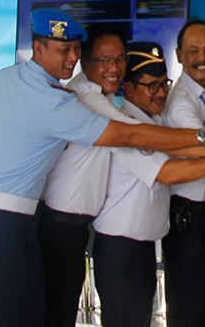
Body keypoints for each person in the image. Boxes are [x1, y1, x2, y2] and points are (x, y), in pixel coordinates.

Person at [0, 8, 205, 327]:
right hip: (20, 225)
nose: (71, 57)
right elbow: (129, 134)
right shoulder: (65, 101)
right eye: (64, 50)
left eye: (76, 48)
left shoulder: (5, 78)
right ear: (38, 48)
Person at [92, 42, 205, 327]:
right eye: (151, 86)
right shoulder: (130, 128)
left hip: (139, 249)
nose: (161, 92)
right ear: (128, 89)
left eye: (163, 84)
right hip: (121, 251)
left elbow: (189, 151)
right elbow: (168, 172)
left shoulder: (154, 124)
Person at [37, 24, 139, 327]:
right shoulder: (82, 97)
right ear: (85, 62)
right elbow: (133, 134)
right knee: (56, 313)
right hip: (59, 229)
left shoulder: (101, 98)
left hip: (75, 230)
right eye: (104, 61)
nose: (114, 69)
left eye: (120, 60)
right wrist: (204, 139)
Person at [161, 20, 205, 327]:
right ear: (178, 55)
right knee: (191, 309)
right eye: (193, 51)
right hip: (190, 217)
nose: (202, 58)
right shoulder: (181, 103)